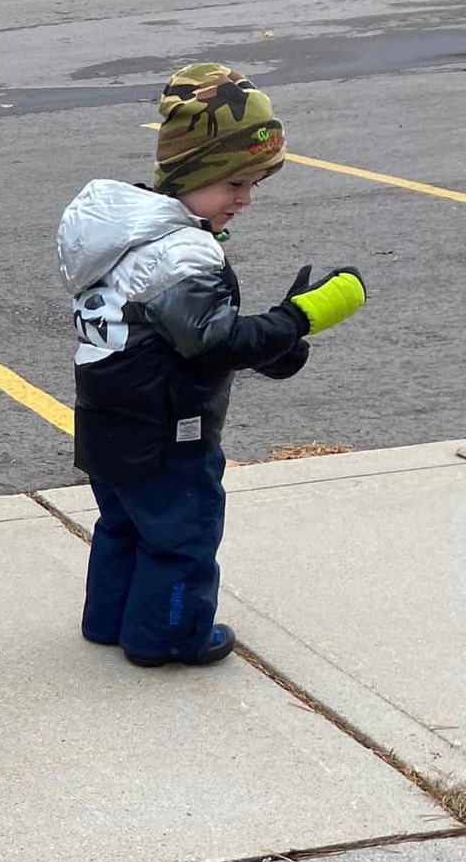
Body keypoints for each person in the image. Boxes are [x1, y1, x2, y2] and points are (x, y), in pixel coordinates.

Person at [58, 64, 367, 666]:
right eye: (235, 183)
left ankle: (110, 620)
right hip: (170, 432)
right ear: (193, 173)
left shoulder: (124, 236)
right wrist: (300, 317)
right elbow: (217, 344)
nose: (246, 199)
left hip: (107, 418)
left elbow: (182, 336)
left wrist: (277, 346)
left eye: (254, 185)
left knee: (124, 525)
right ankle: (169, 635)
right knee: (182, 537)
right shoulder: (183, 251)